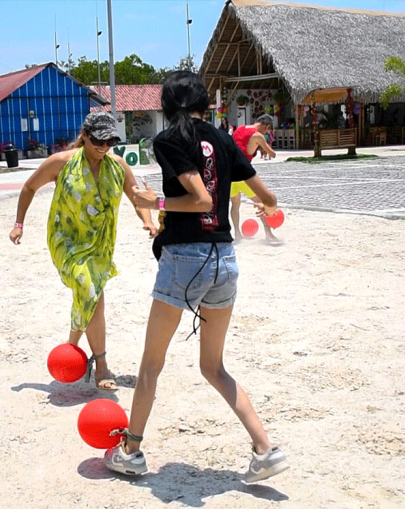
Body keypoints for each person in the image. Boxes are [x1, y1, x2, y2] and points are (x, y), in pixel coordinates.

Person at [103, 71, 289, 484]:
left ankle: (131, 451)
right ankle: (266, 449)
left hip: (185, 259)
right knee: (213, 366)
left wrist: (156, 201)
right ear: (204, 103)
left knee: (151, 363)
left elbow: (200, 199)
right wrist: (264, 209)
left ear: (168, 106)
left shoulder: (170, 139)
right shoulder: (223, 138)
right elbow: (269, 199)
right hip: (225, 258)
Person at [8, 112, 156, 391]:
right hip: (67, 242)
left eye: (110, 141)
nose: (104, 146)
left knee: (89, 294)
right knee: (91, 291)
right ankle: (101, 365)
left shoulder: (118, 167)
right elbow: (29, 187)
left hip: (101, 244)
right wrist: (19, 224)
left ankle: (72, 347)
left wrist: (147, 221)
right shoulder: (61, 163)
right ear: (85, 135)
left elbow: (136, 198)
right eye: (99, 140)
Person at [230, 114, 279, 243]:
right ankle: (268, 233)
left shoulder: (239, 129)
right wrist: (264, 143)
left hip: (230, 174)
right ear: (266, 126)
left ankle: (237, 233)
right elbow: (272, 154)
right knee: (261, 202)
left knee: (235, 205)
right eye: (268, 130)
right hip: (244, 175)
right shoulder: (257, 135)